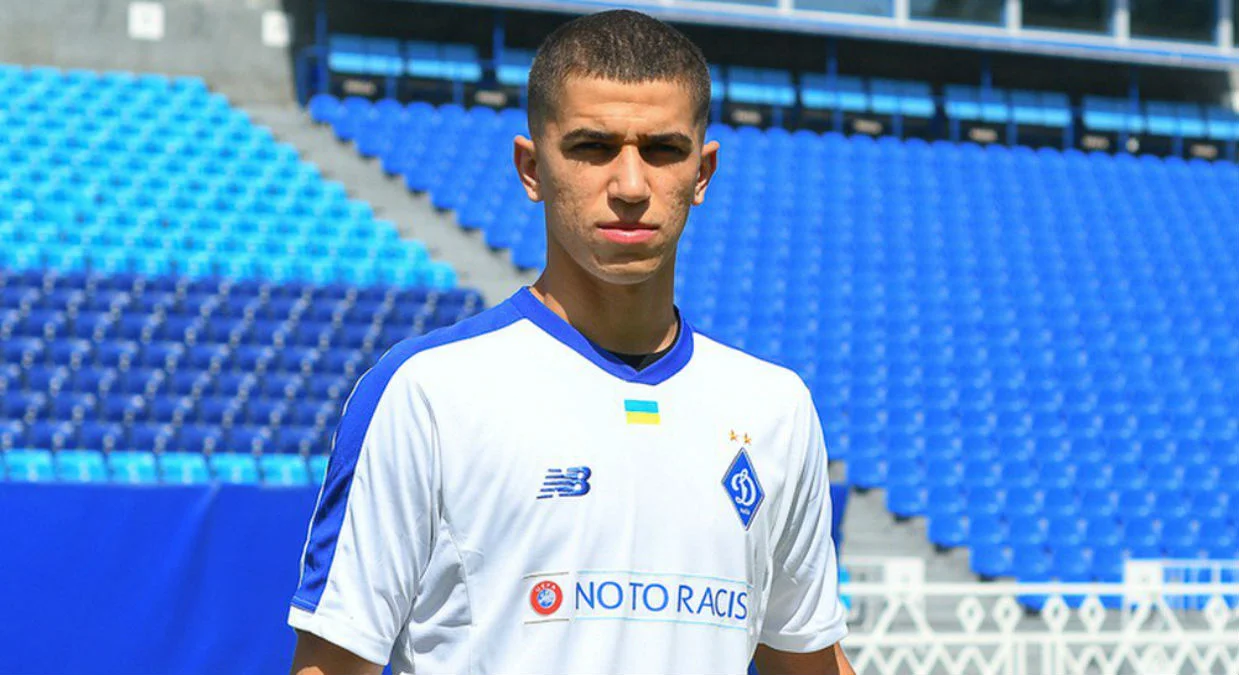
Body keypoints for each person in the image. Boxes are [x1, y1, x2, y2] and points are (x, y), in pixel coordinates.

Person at [288, 9, 852, 674]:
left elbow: (809, 660)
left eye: (663, 150)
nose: (631, 185)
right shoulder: (428, 392)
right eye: (592, 146)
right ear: (531, 168)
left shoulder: (772, 407)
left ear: (702, 173)